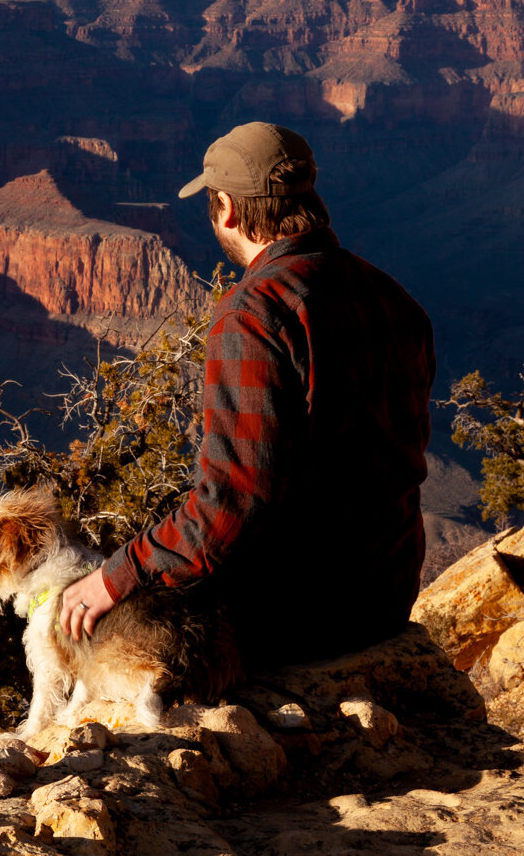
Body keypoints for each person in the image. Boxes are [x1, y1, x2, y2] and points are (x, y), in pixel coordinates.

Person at [59, 122, 435, 677]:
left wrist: (112, 577)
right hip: (386, 592)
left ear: (229, 209)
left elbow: (232, 502)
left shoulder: (254, 315)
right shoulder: (393, 297)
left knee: (109, 615)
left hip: (299, 615)